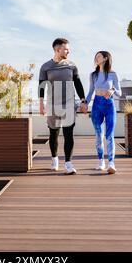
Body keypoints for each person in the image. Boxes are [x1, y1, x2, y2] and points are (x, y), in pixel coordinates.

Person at [38, 38, 88, 175]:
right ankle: (54, 159)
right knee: (53, 134)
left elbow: (77, 83)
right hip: (52, 105)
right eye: (66, 49)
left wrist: (83, 100)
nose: (68, 51)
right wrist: (41, 104)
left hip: (69, 104)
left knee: (68, 134)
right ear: (57, 49)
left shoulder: (72, 65)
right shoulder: (45, 67)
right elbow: (41, 86)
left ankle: (68, 164)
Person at [85, 51, 122, 174]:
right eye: (95, 56)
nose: (96, 58)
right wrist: (85, 103)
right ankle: (101, 161)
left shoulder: (113, 74)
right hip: (97, 105)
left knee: (109, 135)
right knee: (98, 135)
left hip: (109, 105)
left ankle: (111, 163)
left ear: (105, 58)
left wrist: (112, 89)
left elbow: (119, 92)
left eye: (99, 56)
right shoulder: (93, 75)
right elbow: (90, 92)